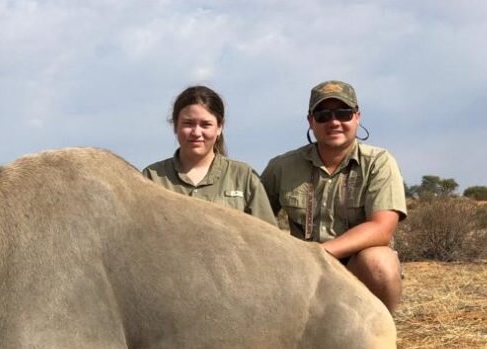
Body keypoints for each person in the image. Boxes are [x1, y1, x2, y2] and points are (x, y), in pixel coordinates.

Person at [261, 80, 406, 313]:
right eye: (323, 115)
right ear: (310, 121)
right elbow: (256, 220)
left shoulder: (379, 162)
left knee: (381, 264)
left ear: (357, 116)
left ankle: (381, 341)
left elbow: (382, 227)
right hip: (301, 274)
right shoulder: (281, 166)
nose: (334, 122)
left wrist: (321, 254)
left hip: (355, 272)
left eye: (343, 113)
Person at [144, 85, 276, 225]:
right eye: (188, 123)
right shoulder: (151, 178)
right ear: (175, 126)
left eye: (205, 125)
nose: (196, 132)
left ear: (219, 128)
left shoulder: (244, 177)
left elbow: (268, 237)